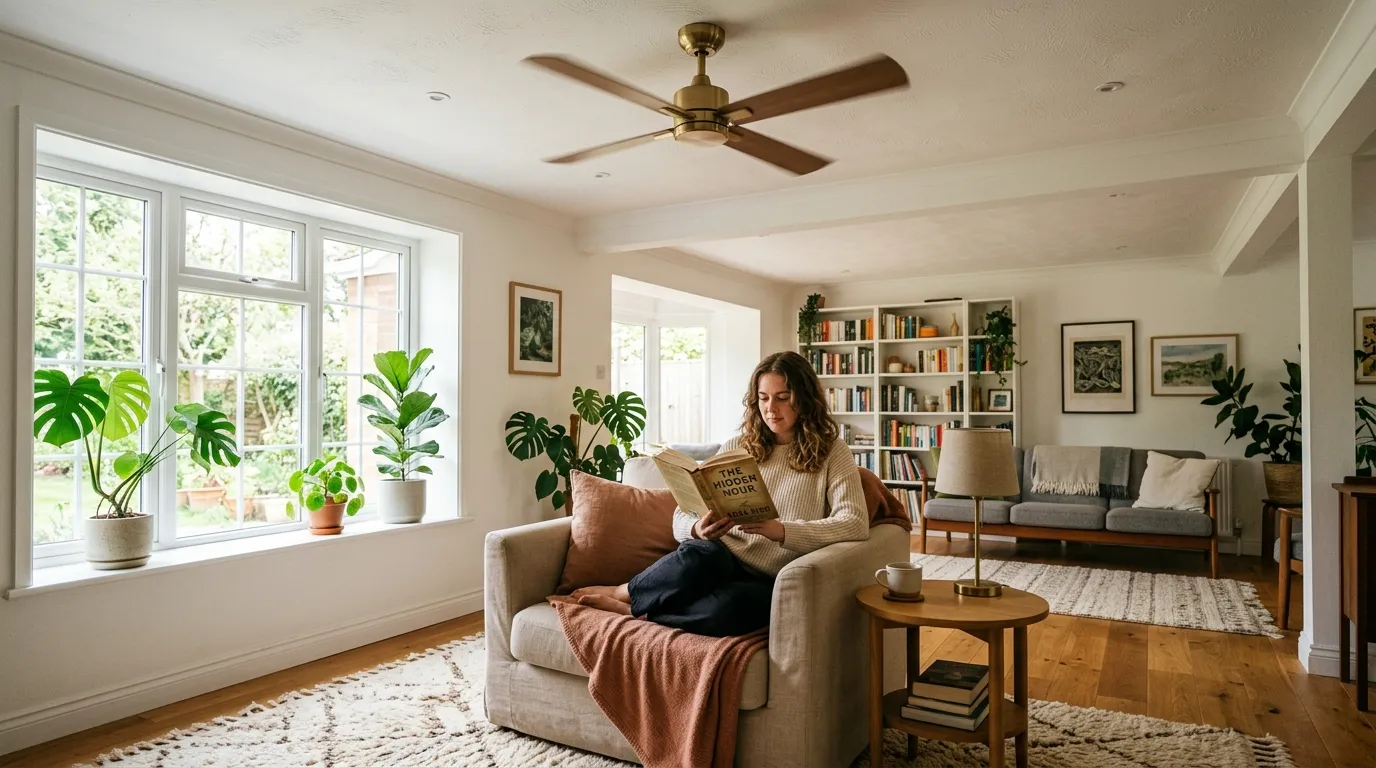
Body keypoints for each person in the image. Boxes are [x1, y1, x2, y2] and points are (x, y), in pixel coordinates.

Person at [573, 350, 870, 636]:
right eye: (763, 398)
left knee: (727, 610)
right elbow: (683, 511)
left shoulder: (833, 452)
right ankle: (623, 592)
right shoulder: (737, 446)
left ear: (804, 400)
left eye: (783, 398)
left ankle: (637, 613)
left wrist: (783, 531)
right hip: (719, 555)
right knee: (698, 555)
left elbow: (854, 522)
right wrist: (696, 528)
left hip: (770, 576)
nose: (770, 408)